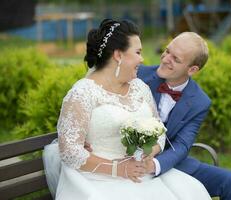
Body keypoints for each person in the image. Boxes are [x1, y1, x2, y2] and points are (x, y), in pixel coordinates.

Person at [43, 19, 211, 200]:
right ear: (118, 55)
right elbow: (70, 152)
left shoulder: (140, 87)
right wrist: (119, 169)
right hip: (96, 179)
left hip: (139, 174)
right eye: (138, 52)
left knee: (191, 191)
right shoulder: (82, 93)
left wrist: (150, 151)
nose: (142, 59)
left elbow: (160, 132)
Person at [137, 32, 231, 200]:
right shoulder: (137, 75)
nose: (166, 59)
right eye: (167, 51)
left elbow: (182, 144)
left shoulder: (200, 102)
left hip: (173, 162)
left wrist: (154, 164)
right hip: (131, 158)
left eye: (176, 59)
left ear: (192, 69)